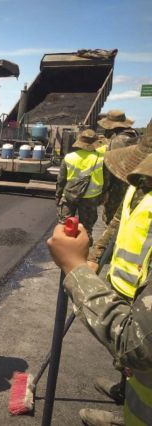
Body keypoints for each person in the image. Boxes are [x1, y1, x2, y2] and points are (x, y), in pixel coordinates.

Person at [46, 130, 152, 426]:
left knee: (138, 366)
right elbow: (120, 220)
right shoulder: (140, 183)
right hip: (126, 285)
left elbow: (136, 344)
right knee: (138, 378)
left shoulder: (71, 157)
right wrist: (93, 257)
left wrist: (76, 269)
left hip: (141, 302)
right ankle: (125, 395)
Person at [55, 129, 106, 245]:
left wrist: (58, 195)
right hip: (91, 197)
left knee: (65, 224)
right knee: (86, 228)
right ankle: (84, 251)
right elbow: (106, 180)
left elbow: (61, 180)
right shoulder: (101, 159)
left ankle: (64, 248)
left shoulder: (69, 157)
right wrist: (104, 195)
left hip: (69, 195)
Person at [97, 110, 140, 224]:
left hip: (118, 187)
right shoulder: (135, 136)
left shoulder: (117, 142)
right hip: (134, 185)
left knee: (112, 220)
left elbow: (111, 168)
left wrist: (104, 191)